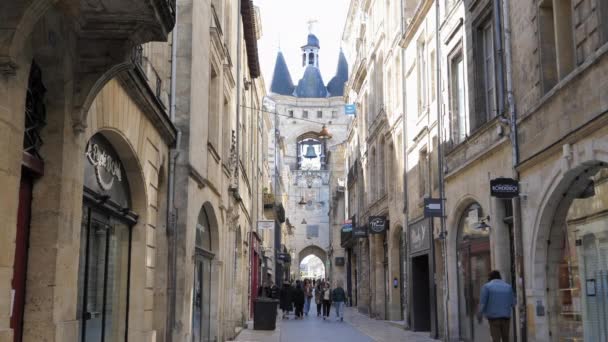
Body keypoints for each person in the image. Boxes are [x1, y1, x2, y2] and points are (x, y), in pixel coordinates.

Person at [477, 270, 515, 342]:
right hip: (506, 318)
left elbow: (482, 303)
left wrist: (479, 315)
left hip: (494, 319)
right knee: (506, 338)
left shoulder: (487, 287)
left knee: (496, 339)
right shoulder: (508, 287)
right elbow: (513, 303)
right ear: (500, 277)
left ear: (489, 278)